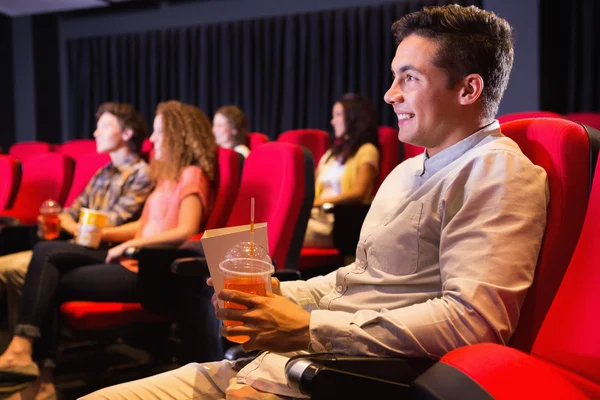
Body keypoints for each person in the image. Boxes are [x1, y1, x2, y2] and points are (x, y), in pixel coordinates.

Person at [83, 5, 549, 399]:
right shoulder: (409, 169)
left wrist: (306, 328)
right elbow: (356, 281)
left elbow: (474, 323)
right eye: (393, 77)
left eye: (409, 79)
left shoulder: (496, 172)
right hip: (286, 363)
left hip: (333, 378)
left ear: (469, 89)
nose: (390, 95)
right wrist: (277, 297)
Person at [0, 101, 217, 399]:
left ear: (179, 135)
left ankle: (36, 368)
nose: (151, 140)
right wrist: (113, 236)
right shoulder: (169, 176)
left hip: (150, 272)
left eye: (158, 132)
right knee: (47, 262)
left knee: (49, 269)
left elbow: (185, 230)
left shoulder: (192, 174)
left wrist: (132, 245)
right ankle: (38, 372)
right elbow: (143, 223)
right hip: (131, 259)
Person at [0, 102, 153, 336]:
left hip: (108, 250)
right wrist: (72, 225)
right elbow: (71, 211)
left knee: (32, 263)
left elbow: (109, 223)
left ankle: (30, 350)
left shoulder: (141, 173)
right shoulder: (103, 172)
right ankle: (20, 348)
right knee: (7, 267)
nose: (95, 133)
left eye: (104, 127)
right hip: (79, 245)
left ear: (127, 133)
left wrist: (72, 226)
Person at [303, 93, 379, 248]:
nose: (332, 121)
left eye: (338, 115)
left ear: (353, 118)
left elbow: (358, 193)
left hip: (337, 223)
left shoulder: (367, 150)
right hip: (315, 216)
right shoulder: (331, 153)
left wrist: (316, 203)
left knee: (284, 236)